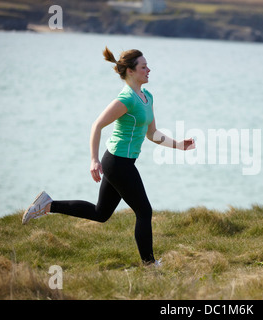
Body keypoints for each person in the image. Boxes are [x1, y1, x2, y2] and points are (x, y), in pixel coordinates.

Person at [22, 47, 195, 266]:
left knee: (101, 213)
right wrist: (94, 160)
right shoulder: (125, 99)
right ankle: (150, 265)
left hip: (122, 162)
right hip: (117, 163)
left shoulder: (147, 97)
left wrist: (178, 145)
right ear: (131, 71)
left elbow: (152, 133)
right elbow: (97, 125)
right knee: (144, 210)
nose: (149, 70)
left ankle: (47, 205)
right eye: (144, 67)